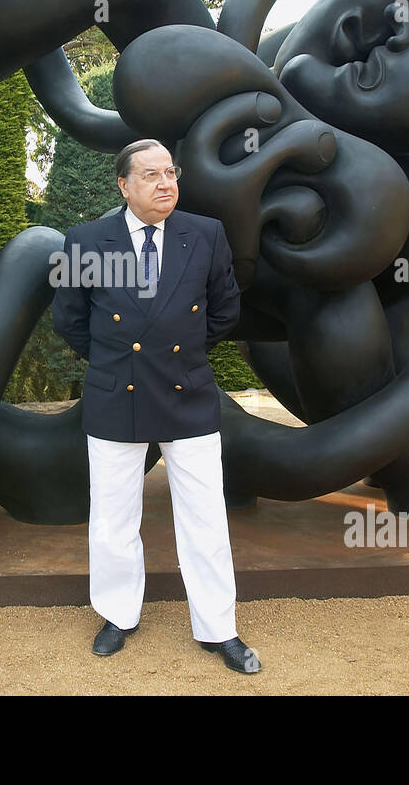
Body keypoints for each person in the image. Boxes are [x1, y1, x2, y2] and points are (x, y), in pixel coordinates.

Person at [50, 137, 260, 674]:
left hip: (186, 391)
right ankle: (118, 615)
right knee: (114, 516)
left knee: (206, 518)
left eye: (171, 173)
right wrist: (116, 360)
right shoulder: (87, 240)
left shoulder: (205, 234)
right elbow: (69, 318)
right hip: (114, 394)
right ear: (124, 185)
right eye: (151, 175)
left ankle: (219, 628)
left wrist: (182, 354)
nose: (166, 183)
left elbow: (224, 308)